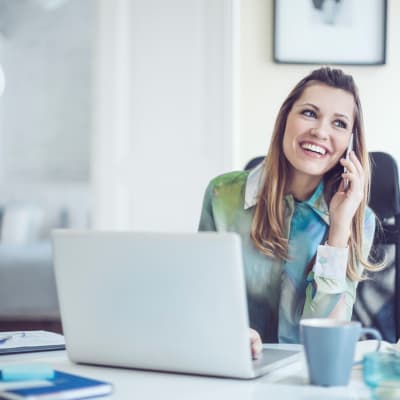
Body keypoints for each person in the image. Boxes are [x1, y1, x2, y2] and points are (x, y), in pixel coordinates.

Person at [198, 67, 377, 359]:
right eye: (309, 113)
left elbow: (326, 344)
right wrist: (228, 330)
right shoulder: (223, 196)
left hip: (306, 376)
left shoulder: (358, 220)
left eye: (340, 124)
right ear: (285, 120)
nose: (320, 132)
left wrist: (339, 229)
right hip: (232, 365)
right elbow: (201, 299)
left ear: (350, 144)